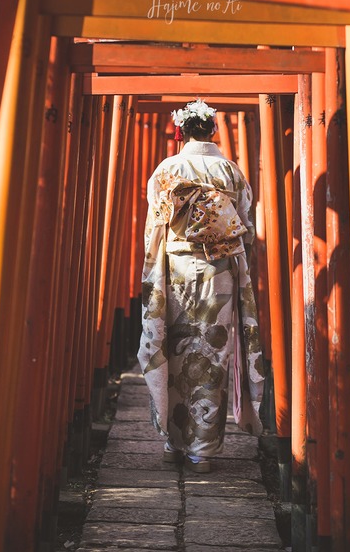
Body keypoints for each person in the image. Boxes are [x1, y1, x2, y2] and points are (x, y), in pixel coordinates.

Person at [137, 99, 266, 474]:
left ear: (181, 131)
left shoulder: (167, 169)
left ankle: (170, 440)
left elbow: (154, 226)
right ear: (212, 130)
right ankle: (202, 450)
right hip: (218, 273)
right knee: (212, 353)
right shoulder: (229, 170)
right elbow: (244, 222)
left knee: (171, 349)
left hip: (175, 268)